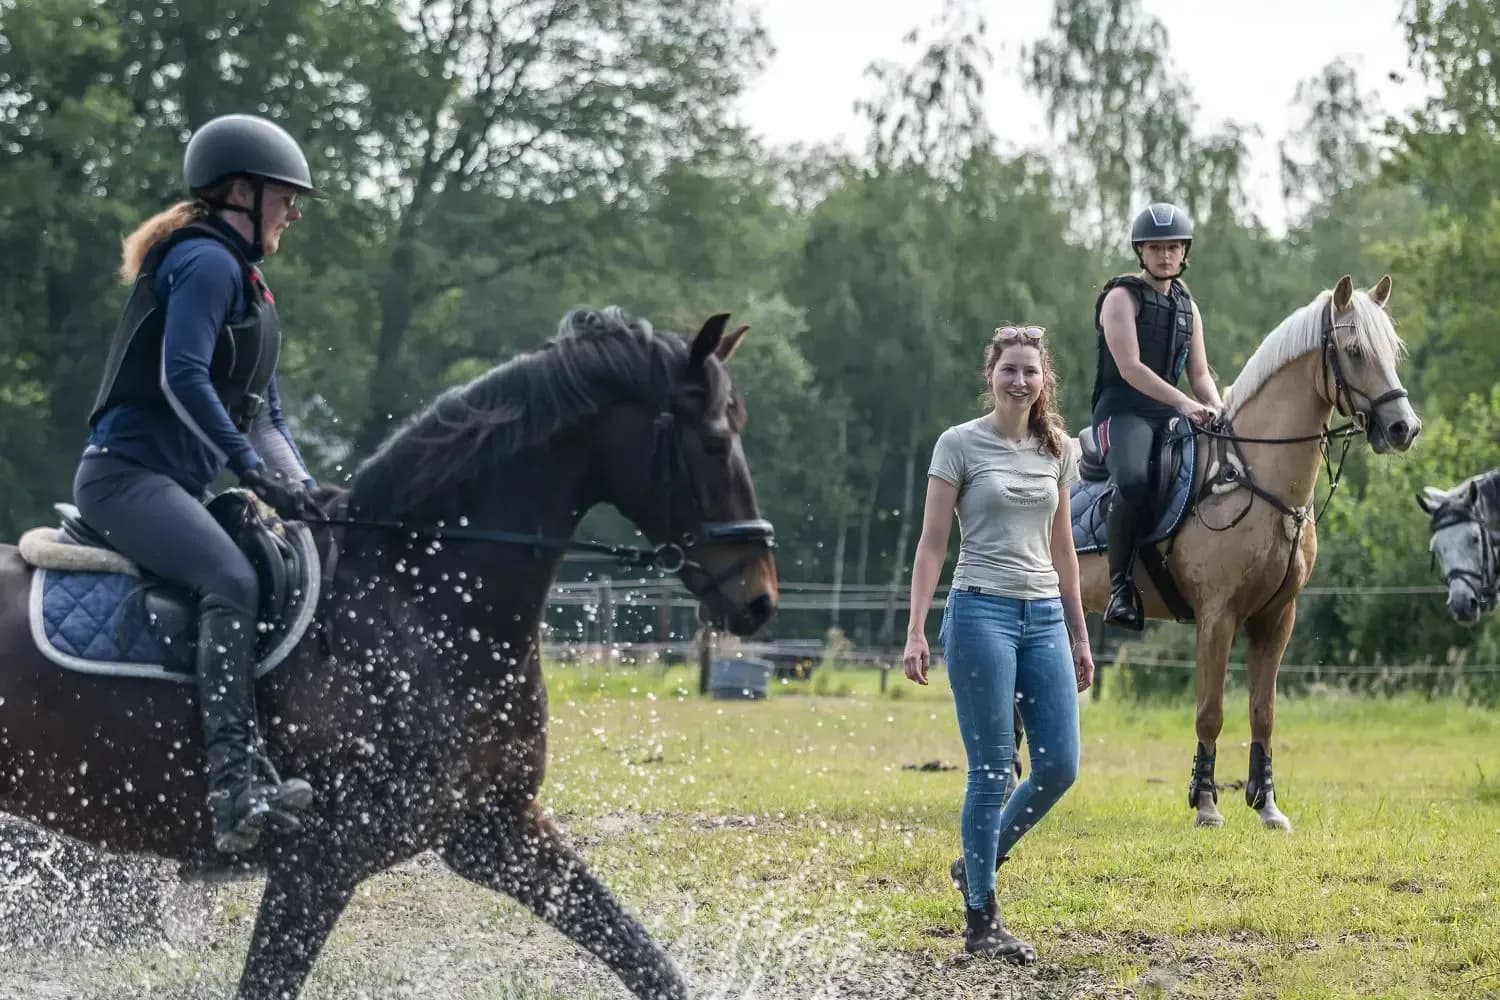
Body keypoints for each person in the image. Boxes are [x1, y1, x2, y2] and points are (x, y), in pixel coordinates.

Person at [75, 113, 324, 854]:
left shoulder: (254, 290)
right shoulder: (207, 263)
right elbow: (179, 375)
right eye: (285, 196)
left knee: (283, 563)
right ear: (241, 193)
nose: (293, 212)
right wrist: (246, 471)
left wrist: (308, 497)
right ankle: (232, 790)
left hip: (173, 485)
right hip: (126, 478)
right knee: (231, 582)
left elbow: (265, 421)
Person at [903, 325, 1095, 962]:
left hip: (1042, 617)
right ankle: (981, 919)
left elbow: (1065, 549)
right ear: (991, 374)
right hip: (980, 612)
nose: (1020, 381)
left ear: (1045, 382)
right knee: (989, 771)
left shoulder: (1058, 450)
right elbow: (933, 544)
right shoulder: (958, 444)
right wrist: (916, 630)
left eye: (1031, 372)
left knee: (1060, 766)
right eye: (1009, 369)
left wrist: (1078, 633)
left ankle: (976, 861)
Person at [1092, 202, 1224, 630]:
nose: (1164, 255)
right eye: (1155, 247)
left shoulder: (1188, 306)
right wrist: (1184, 403)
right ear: (1140, 252)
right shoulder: (1120, 298)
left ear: (1184, 252)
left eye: (1173, 247)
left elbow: (1200, 374)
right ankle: (1119, 589)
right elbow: (1130, 368)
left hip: (1167, 413)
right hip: (1122, 411)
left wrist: (1218, 408)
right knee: (1132, 479)